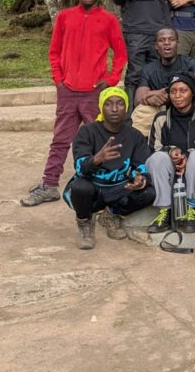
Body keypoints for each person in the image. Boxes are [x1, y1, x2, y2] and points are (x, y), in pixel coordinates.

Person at [21, 0, 127, 207]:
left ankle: (107, 188)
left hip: (94, 93)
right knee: (60, 139)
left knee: (101, 140)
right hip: (68, 91)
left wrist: (109, 80)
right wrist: (59, 80)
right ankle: (49, 185)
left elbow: (120, 54)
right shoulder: (65, 17)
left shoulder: (108, 20)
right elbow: (54, 51)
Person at [63, 88, 156, 250]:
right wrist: (96, 160)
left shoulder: (135, 136)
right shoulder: (87, 132)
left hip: (119, 188)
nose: (114, 109)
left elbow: (141, 166)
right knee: (79, 187)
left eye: (120, 104)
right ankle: (85, 222)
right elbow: (80, 169)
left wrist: (140, 180)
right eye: (109, 104)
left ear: (126, 108)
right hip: (94, 189)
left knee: (149, 192)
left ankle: (112, 214)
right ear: (101, 107)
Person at [144, 73, 195, 234]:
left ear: (192, 92)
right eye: (173, 91)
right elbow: (153, 148)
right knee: (157, 158)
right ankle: (165, 210)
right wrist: (171, 151)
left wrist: (187, 155)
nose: (177, 96)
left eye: (183, 91)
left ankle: (192, 209)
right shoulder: (161, 118)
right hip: (172, 171)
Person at [132, 28, 195, 134]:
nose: (166, 43)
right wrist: (151, 98)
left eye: (171, 39)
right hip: (161, 110)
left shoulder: (188, 62)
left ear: (177, 43)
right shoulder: (149, 69)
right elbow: (138, 98)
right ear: (156, 46)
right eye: (162, 40)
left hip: (187, 107)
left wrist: (172, 93)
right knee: (142, 109)